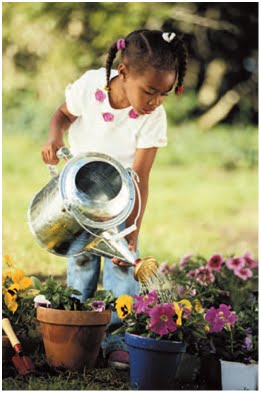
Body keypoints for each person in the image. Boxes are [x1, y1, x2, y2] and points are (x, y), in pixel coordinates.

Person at [41, 29, 188, 369]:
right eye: (150, 91)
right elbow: (61, 115)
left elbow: (140, 177)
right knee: (80, 258)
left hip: (120, 200)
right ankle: (76, 325)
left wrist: (132, 226)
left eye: (164, 94)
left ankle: (118, 338)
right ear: (123, 73)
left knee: (122, 269)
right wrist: (53, 137)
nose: (155, 101)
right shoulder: (92, 86)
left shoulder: (153, 118)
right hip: (77, 193)